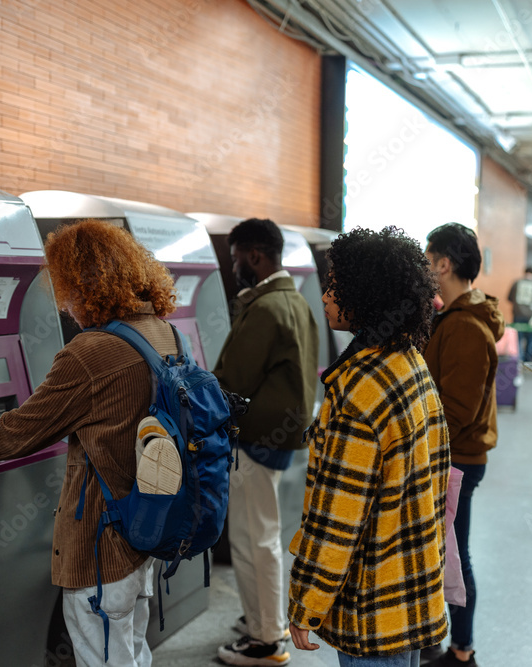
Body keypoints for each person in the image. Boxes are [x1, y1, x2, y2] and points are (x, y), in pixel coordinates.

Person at [0, 219, 179, 667]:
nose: (64, 304)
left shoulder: (90, 352)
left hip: (102, 543)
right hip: (145, 526)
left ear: (82, 285)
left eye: (64, 288)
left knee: (104, 655)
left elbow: (14, 433)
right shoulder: (161, 332)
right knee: (133, 648)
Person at [288, 226, 450, 667]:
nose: (325, 296)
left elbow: (338, 517)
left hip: (372, 605)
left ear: (366, 294)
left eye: (335, 286)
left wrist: (306, 602)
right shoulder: (409, 362)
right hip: (410, 588)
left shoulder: (359, 391)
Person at [213, 218, 319, 667]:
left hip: (255, 438)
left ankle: (267, 639)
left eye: (236, 257)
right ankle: (263, 617)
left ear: (255, 256)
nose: (234, 265)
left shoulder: (264, 309)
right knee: (263, 534)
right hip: (279, 436)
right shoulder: (295, 301)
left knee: (252, 539)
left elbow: (231, 381)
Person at [422, 223, 504, 667]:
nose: (424, 268)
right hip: (456, 455)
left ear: (444, 264)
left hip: (458, 458)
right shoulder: (453, 317)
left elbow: (457, 409)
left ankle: (462, 650)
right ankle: (446, 641)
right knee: (445, 553)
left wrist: (421, 449)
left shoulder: (466, 326)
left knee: (456, 556)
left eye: (427, 259)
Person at [508, 266, 532, 361]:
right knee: (530, 340)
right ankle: (528, 361)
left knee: (518, 339)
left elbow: (509, 298)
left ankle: (518, 360)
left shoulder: (516, 283)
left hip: (518, 315)